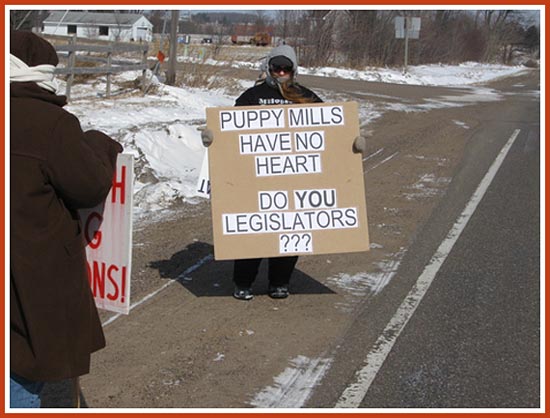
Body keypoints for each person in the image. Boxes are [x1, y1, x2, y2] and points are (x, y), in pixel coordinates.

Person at [10, 30, 123, 408]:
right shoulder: (48, 122)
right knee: (20, 370)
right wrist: (99, 145)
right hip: (26, 276)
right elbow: (88, 185)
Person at [202, 44, 365, 301]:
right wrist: (213, 139)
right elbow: (230, 133)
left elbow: (330, 131)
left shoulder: (305, 96)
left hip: (295, 178)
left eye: (285, 68)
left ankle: (280, 282)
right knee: (253, 230)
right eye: (275, 67)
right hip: (255, 177)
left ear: (293, 69)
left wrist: (351, 144)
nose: (280, 72)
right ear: (268, 68)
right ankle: (243, 282)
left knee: (291, 230)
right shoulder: (252, 96)